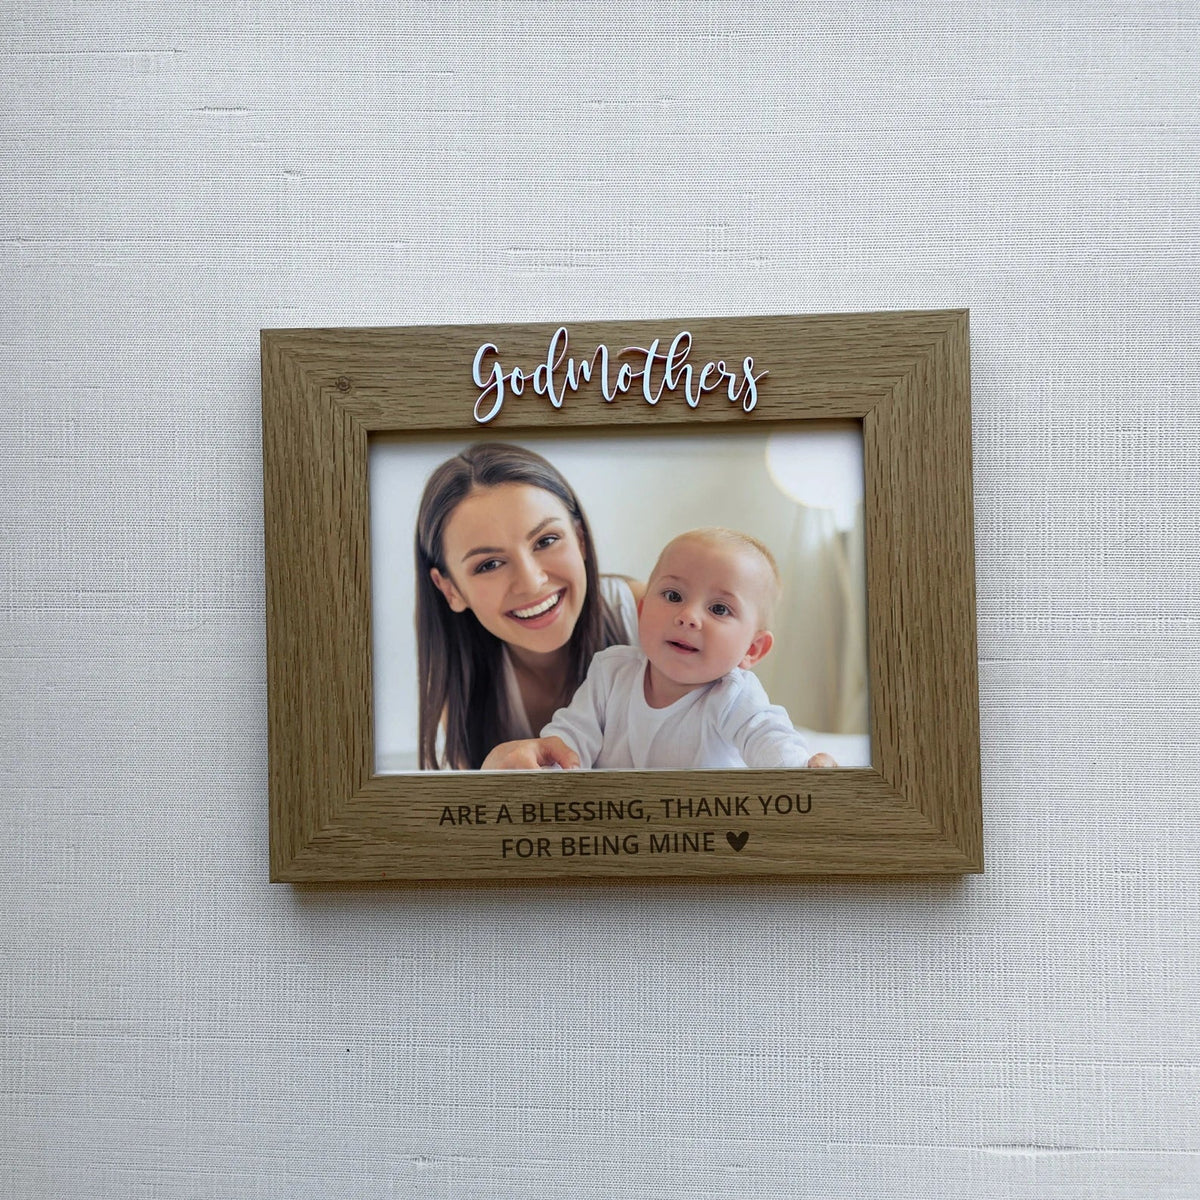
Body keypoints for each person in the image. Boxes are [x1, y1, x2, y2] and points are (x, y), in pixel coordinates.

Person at [483, 527, 838, 770]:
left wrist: (801, 771)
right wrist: (550, 766)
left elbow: (768, 738)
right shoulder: (610, 672)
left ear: (753, 649)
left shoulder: (734, 696)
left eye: (719, 609)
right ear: (641, 611)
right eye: (673, 595)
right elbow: (572, 735)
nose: (688, 617)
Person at [415, 442, 641, 769]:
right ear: (450, 589)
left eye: (546, 541)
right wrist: (488, 785)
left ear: (579, 538)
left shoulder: (648, 615)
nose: (531, 582)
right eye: (489, 564)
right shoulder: (460, 691)